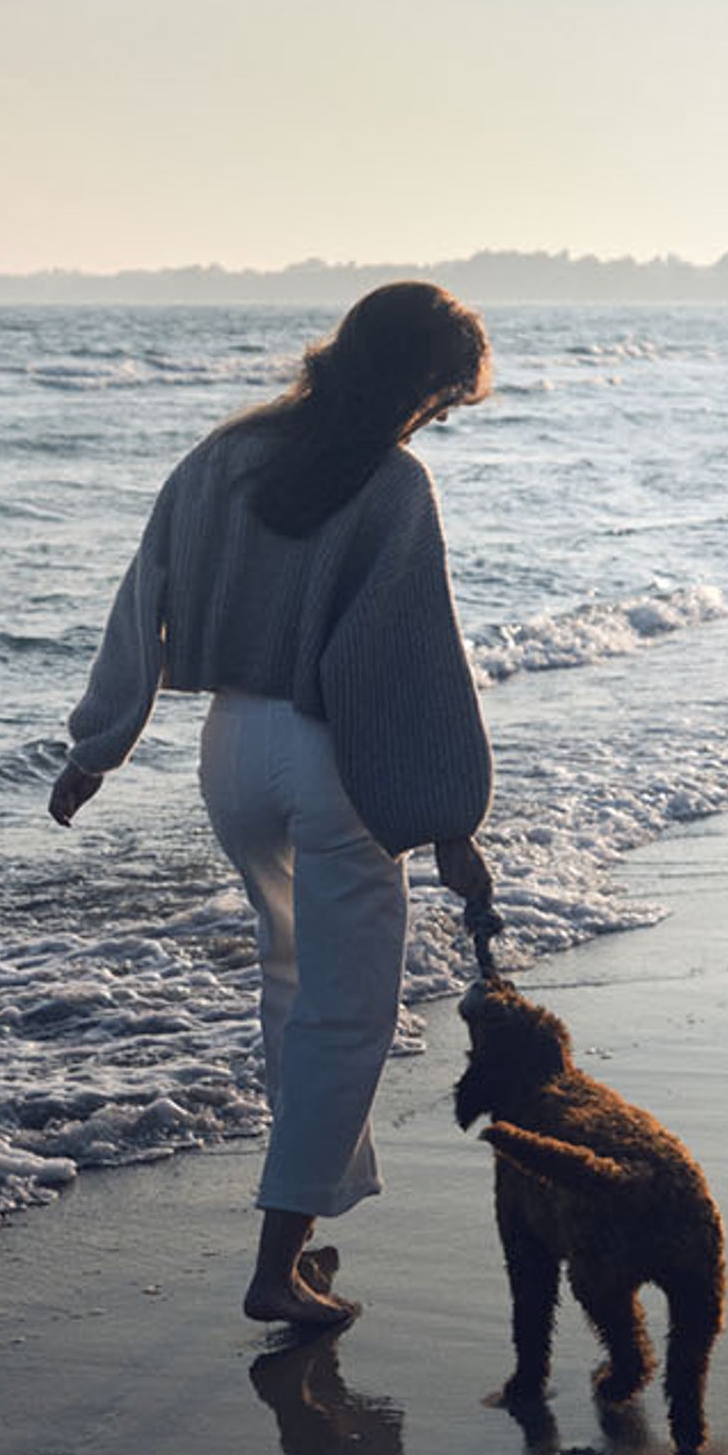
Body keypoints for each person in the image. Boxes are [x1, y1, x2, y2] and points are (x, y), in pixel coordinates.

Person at [49, 281, 500, 1328]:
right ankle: (273, 1266)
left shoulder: (222, 456)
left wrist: (99, 745)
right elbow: (410, 661)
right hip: (330, 754)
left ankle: (306, 1230)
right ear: (415, 383)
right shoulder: (392, 485)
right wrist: (450, 821)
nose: (435, 419)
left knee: (295, 992)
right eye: (440, 398)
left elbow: (140, 597)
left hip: (231, 752)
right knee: (347, 1016)